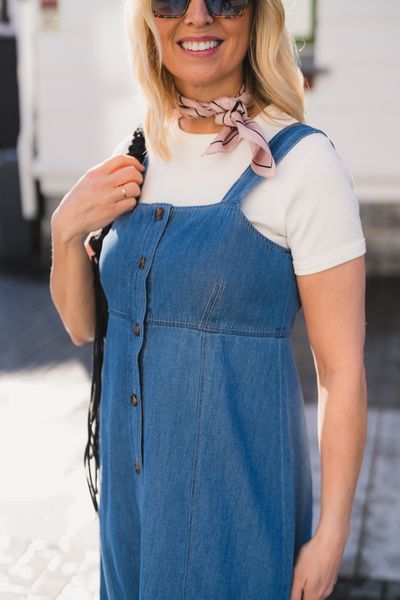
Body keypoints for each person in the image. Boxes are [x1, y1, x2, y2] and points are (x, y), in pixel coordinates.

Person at [49, 0, 368, 598]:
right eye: (173, 1)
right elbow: (83, 326)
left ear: (257, 15)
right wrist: (66, 230)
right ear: (148, 18)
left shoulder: (304, 164)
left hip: (237, 515)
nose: (198, 17)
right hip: (131, 512)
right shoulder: (138, 148)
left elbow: (341, 372)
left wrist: (331, 534)